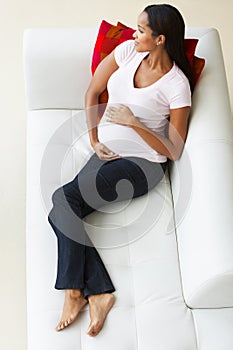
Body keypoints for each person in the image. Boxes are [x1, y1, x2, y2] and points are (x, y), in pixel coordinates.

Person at [48, 3, 193, 337]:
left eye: (142, 30)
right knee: (62, 208)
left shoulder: (176, 85)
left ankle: (75, 291)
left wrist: (134, 123)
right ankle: (98, 293)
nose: (134, 33)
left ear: (160, 39)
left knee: (62, 199)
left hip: (143, 166)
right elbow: (93, 91)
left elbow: (173, 148)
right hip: (105, 153)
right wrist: (95, 138)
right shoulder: (127, 51)